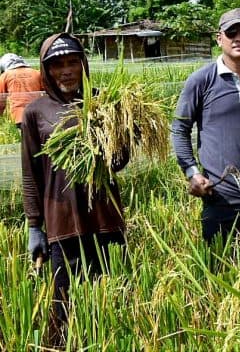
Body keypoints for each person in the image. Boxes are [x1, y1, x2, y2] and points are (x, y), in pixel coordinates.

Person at [21, 33, 128, 341]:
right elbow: (31, 174)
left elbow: (118, 162)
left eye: (72, 62)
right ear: (46, 70)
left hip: (105, 218)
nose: (66, 71)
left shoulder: (102, 103)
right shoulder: (36, 112)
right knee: (63, 303)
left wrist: (122, 132)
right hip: (62, 221)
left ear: (83, 65)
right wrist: (34, 227)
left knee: (111, 295)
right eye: (57, 65)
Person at [172, 8, 240, 255]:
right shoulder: (201, 80)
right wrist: (192, 172)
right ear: (219, 38)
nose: (238, 37)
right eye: (231, 32)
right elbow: (180, 129)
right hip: (223, 195)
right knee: (223, 270)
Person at [0, 52, 43, 128]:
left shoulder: (5, 76)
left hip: (17, 117)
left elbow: (1, 101)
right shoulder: (37, 73)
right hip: (37, 116)